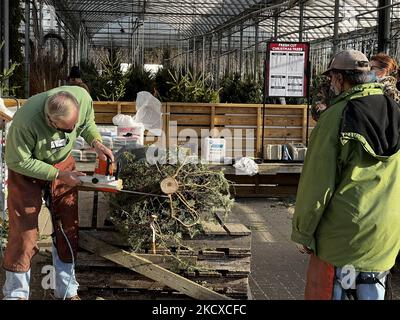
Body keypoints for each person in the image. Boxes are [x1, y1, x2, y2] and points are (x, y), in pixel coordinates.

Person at [291, 49, 400, 300]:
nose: (330, 83)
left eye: (332, 78)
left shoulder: (336, 117)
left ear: (340, 79)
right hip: (386, 237)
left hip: (342, 240)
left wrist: (303, 232)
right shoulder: (394, 111)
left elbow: (317, 184)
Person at [2, 86, 113, 300]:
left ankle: (67, 291)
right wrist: (57, 175)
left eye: (74, 126)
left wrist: (96, 142)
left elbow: (87, 123)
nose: (73, 131)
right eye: (67, 129)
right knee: (24, 233)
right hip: (26, 169)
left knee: (67, 228)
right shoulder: (25, 122)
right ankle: (16, 294)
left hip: (62, 163)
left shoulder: (82, 98)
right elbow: (17, 161)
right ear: (51, 122)